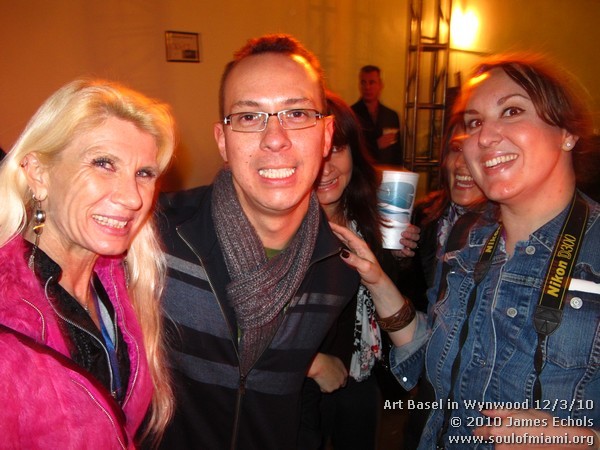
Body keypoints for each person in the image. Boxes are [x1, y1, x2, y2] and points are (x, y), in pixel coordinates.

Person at [335, 54, 600, 449]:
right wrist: (376, 278)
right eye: (474, 122)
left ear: (567, 132)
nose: (485, 137)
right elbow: (431, 354)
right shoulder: (467, 237)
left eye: (511, 111)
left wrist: (586, 440)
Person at [157, 34, 359, 450]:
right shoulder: (157, 236)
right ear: (222, 140)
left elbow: (309, 402)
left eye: (297, 113)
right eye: (250, 117)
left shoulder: (338, 268)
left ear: (326, 135)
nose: (275, 138)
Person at [0, 79, 175, 448]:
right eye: (103, 163)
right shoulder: (7, 326)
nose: (133, 198)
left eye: (144, 173)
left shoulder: (122, 283)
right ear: (38, 173)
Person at [298, 92, 419, 450]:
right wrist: (310, 363)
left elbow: (390, 297)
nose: (326, 168)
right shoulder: (283, 229)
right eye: (315, 152)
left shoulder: (368, 216)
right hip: (303, 382)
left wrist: (401, 257)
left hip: (363, 374)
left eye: (336, 149)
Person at [351, 65, 403, 166]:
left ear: (380, 85)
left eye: (372, 82)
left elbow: (396, 154)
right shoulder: (351, 113)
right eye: (363, 82)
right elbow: (350, 150)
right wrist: (376, 145)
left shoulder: (391, 116)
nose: (367, 87)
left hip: (387, 171)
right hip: (362, 171)